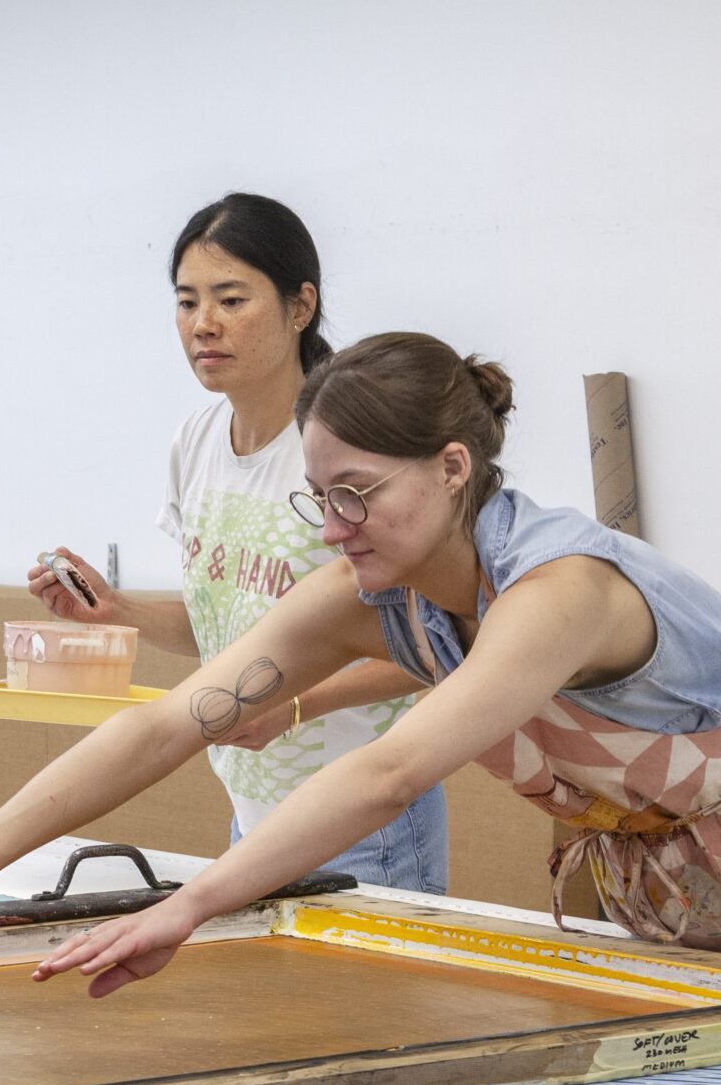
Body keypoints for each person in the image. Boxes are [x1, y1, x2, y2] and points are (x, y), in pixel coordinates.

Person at [0, 333, 721, 997]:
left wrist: (192, 905)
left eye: (357, 495)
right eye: (316, 496)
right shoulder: (376, 592)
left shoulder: (561, 593)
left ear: (447, 468)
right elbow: (168, 721)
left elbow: (387, 778)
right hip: (675, 887)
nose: (333, 527)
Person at [26, 193, 447, 893]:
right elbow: (227, 627)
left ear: (299, 305)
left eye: (231, 299)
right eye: (187, 302)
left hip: (363, 820)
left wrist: (295, 706)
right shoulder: (195, 442)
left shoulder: (353, 446)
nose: (204, 325)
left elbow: (434, 641)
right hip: (253, 820)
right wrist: (119, 611)